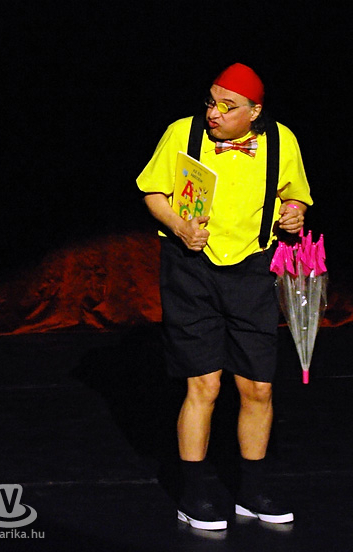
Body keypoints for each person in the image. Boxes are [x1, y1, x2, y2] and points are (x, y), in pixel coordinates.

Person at [136, 62, 313, 531]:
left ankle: (252, 491)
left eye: (227, 106)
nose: (213, 113)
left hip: (253, 271)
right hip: (191, 270)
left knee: (258, 387)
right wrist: (179, 226)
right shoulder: (183, 132)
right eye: (211, 102)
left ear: (254, 112)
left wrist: (293, 213)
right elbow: (152, 191)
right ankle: (193, 493)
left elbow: (294, 195)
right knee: (205, 385)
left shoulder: (281, 140)